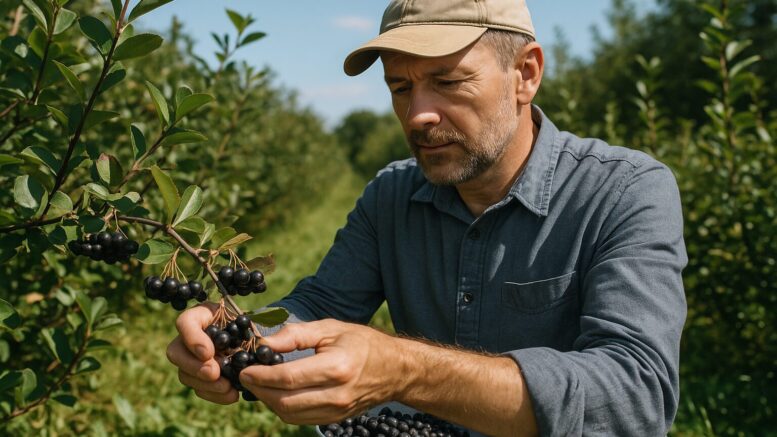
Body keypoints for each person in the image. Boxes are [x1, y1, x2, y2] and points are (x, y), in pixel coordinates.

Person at [165, 0, 688, 435]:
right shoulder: (392, 195)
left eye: (449, 80)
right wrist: (238, 335)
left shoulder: (624, 192)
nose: (418, 114)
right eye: (400, 88)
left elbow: (635, 394)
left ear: (525, 74)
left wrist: (406, 370)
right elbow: (322, 305)